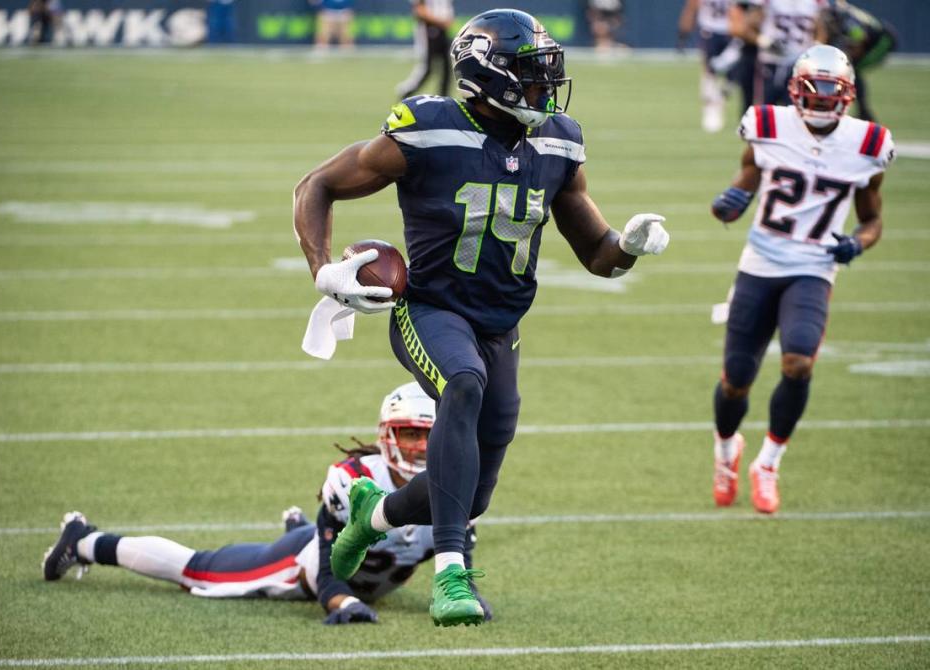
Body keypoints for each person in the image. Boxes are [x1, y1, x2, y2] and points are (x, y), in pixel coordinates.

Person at [293, 8, 670, 627]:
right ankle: (451, 578)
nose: (544, 87)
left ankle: (373, 514)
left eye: (547, 72)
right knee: (461, 387)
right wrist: (323, 269)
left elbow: (597, 255)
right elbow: (316, 185)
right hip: (433, 309)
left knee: (471, 492)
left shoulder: (558, 140)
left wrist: (627, 247)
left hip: (502, 324)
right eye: (528, 72)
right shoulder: (426, 129)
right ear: (485, 76)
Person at [41, 383, 491, 624]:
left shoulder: (457, 486)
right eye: (409, 433)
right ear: (386, 435)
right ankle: (84, 541)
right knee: (198, 570)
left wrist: (468, 597)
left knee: (309, 536)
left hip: (352, 572)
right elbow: (331, 576)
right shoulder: (352, 481)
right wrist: (342, 604)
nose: (418, 447)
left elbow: (458, 570)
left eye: (429, 435)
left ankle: (295, 525)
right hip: (305, 568)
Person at [709, 45, 893, 514]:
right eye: (814, 92)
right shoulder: (768, 126)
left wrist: (859, 242)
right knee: (736, 382)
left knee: (798, 364)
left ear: (846, 95)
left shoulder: (868, 143)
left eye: (832, 92)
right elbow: (744, 181)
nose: (822, 102)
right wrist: (729, 202)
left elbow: (872, 219)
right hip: (760, 264)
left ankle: (768, 462)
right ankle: (727, 450)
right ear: (796, 91)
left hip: (813, 269)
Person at [729, 0, 823, 106]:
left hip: (800, 65)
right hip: (771, 63)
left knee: (796, 111)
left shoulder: (813, 3)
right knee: (764, 110)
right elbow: (747, 28)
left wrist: (816, 45)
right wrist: (763, 40)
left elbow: (820, 31)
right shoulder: (769, 3)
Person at [818, 0, 896, 121]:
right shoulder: (838, 14)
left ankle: (863, 111)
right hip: (871, 38)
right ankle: (863, 110)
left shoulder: (846, 19)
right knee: (850, 69)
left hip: (882, 41)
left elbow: (860, 40)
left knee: (852, 69)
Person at [678, 0, 736, 132]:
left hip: (732, 31)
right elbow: (692, 8)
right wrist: (683, 34)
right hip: (710, 31)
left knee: (733, 74)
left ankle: (720, 99)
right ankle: (710, 106)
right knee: (710, 71)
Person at [395, 0, 455, 99]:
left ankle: (444, 99)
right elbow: (419, 10)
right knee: (427, 68)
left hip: (444, 31)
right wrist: (440, 21)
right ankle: (405, 91)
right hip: (429, 29)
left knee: (447, 69)